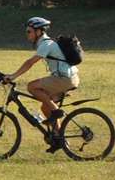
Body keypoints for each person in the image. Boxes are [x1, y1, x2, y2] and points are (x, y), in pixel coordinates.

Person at [5, 16, 76, 148]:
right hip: (67, 78)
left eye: (29, 31)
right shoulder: (44, 44)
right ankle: (60, 139)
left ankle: (56, 111)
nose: (27, 34)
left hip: (64, 78)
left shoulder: (46, 44)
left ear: (39, 31)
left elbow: (30, 62)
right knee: (45, 107)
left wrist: (13, 76)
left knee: (31, 86)